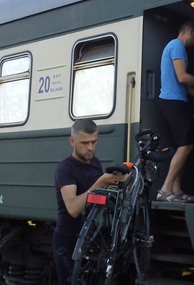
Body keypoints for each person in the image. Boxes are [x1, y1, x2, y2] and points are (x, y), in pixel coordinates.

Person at [52, 118, 125, 284]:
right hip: (68, 238)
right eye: (85, 143)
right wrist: (100, 182)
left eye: (94, 142)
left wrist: (116, 183)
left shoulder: (95, 163)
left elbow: (98, 194)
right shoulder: (65, 168)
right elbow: (73, 208)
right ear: (72, 141)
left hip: (91, 236)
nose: (90, 148)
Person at [155, 20, 194, 203]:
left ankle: (177, 190)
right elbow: (183, 78)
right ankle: (165, 190)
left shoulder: (174, 46)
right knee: (186, 146)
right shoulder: (177, 45)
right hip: (172, 102)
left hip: (174, 101)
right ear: (190, 31)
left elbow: (183, 85)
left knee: (183, 146)